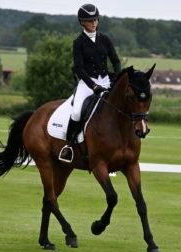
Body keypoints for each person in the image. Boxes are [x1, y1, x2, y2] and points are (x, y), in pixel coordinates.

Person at [59, 3, 121, 163]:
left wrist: (117, 77)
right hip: (87, 83)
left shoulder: (105, 39)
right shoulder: (78, 42)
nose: (94, 23)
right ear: (82, 22)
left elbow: (115, 60)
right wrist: (93, 86)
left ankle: (118, 146)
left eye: (96, 20)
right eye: (90, 20)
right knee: (77, 112)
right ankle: (69, 146)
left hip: (106, 80)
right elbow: (79, 69)